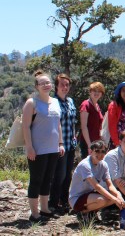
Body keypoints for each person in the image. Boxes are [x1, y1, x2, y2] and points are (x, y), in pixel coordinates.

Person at [22, 71, 63, 223]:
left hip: (53, 149)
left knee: (48, 179)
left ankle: (44, 209)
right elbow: (25, 127)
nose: (46, 85)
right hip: (37, 149)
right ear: (36, 86)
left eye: (48, 82)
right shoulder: (32, 103)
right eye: (42, 83)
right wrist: (29, 147)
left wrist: (60, 143)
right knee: (36, 180)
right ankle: (34, 213)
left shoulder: (55, 102)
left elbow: (57, 124)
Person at [68, 140, 125, 225]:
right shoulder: (85, 165)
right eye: (97, 151)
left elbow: (110, 185)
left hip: (90, 195)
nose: (100, 154)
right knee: (103, 200)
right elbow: (96, 186)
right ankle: (82, 213)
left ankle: (91, 213)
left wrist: (118, 196)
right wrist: (114, 199)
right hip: (76, 198)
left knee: (115, 196)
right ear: (91, 151)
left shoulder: (103, 165)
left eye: (103, 151)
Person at [49, 74, 77, 213]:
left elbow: (72, 122)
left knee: (68, 174)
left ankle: (64, 201)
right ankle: (52, 203)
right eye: (62, 85)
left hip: (70, 143)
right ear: (56, 86)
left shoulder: (70, 101)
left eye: (67, 85)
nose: (65, 87)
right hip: (58, 144)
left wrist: (74, 138)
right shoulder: (53, 102)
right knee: (59, 175)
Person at [79, 82, 105, 158]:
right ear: (90, 92)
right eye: (94, 90)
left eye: (99, 91)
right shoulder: (85, 104)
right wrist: (89, 145)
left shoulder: (97, 106)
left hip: (97, 142)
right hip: (88, 143)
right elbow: (84, 127)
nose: (97, 93)